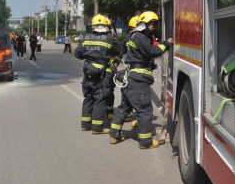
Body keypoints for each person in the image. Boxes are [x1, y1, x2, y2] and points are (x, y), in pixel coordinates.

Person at [109, 11, 173, 148]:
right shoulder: (140, 37)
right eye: (152, 23)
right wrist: (166, 44)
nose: (154, 26)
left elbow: (131, 51)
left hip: (131, 79)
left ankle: (114, 136)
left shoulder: (132, 36)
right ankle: (145, 142)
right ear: (144, 23)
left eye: (155, 24)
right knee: (144, 110)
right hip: (139, 81)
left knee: (124, 108)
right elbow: (153, 52)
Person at [74, 14, 121, 134]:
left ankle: (85, 125)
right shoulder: (109, 38)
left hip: (87, 73)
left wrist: (90, 54)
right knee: (99, 100)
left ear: (93, 26)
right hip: (101, 75)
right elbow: (118, 51)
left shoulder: (85, 38)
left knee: (88, 98)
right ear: (106, 26)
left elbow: (78, 54)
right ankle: (97, 128)